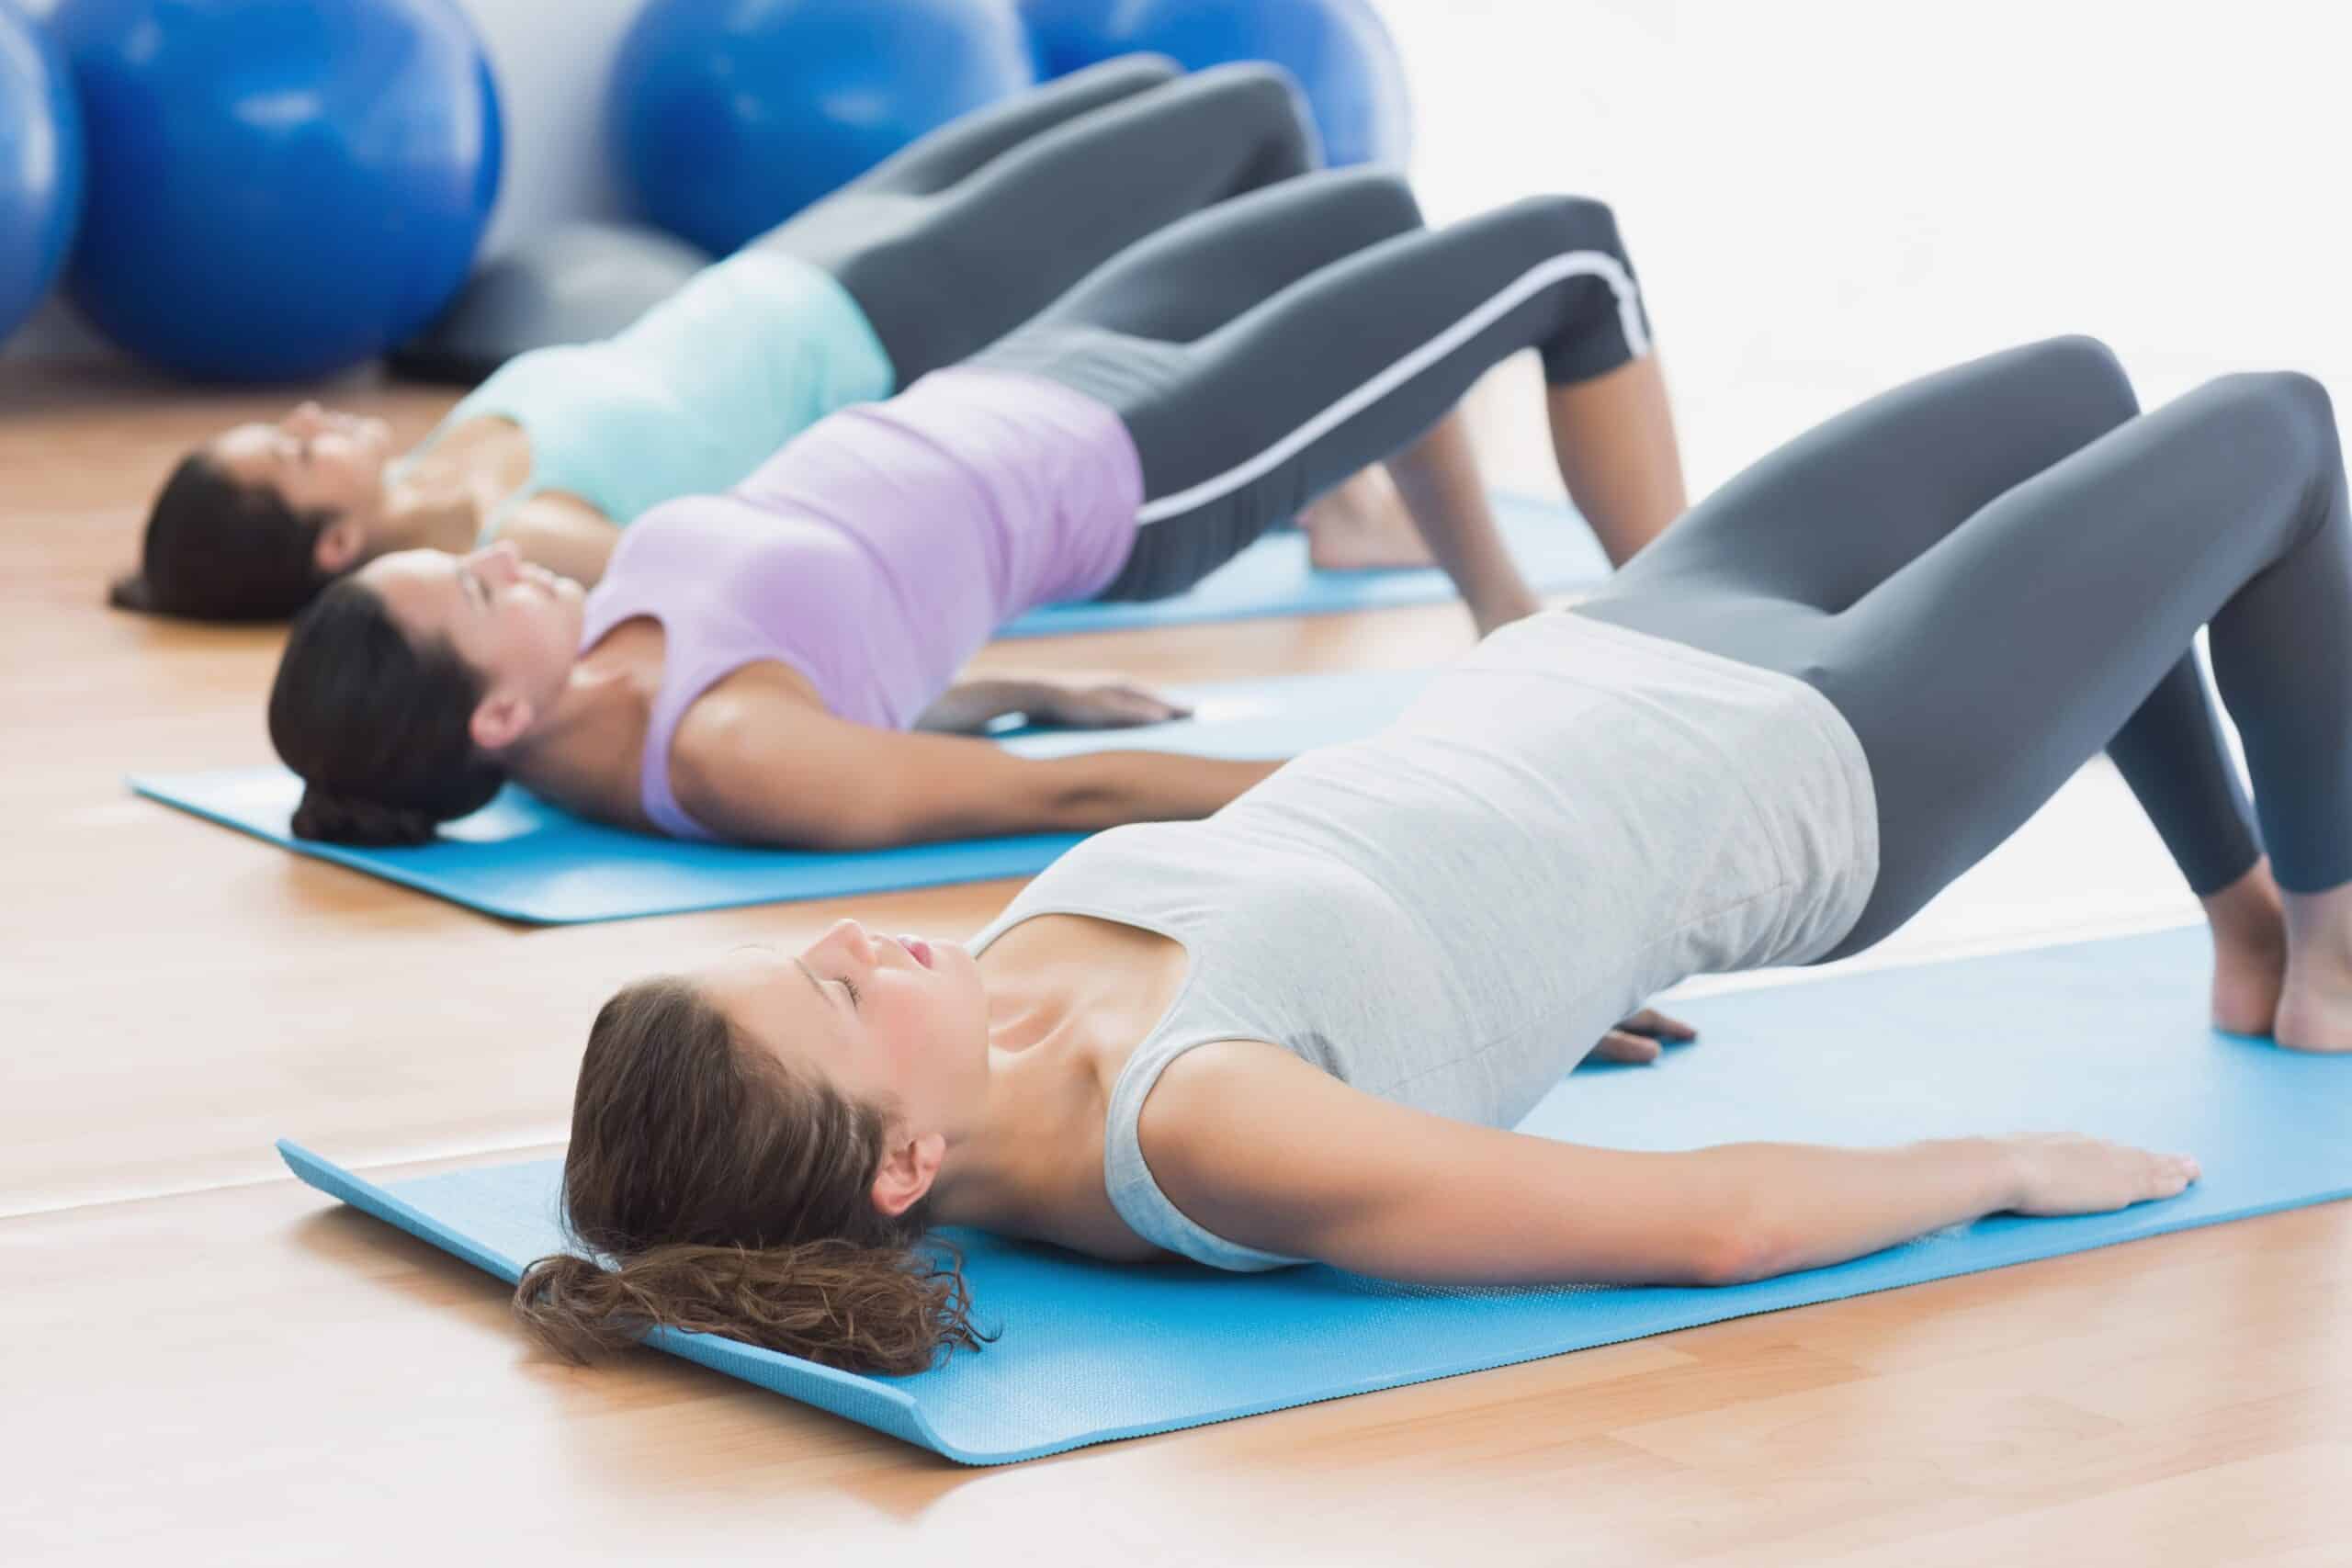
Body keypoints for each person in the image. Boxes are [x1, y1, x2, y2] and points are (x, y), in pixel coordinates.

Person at [514, 335, 2348, 1375]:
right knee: (2273, 432)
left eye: (808, 950)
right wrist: (2001, 1157)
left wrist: (1504, 997)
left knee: (2072, 393)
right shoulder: (1191, 1126)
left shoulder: (985, 1009)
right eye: (833, 992)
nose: (852, 938)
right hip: (1824, 757)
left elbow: (1367, 906)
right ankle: (2329, 950)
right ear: (906, 1163)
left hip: (1627, 632)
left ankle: (2241, 918)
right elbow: (1712, 1224)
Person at [266, 168, 1679, 849]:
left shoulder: (587, 680)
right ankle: (1683, 667)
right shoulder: (734, 752)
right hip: (1141, 468)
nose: (501, 558)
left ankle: (1501, 607)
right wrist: (1434, 812)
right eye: (473, 593)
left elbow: (847, 681)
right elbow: (1080, 800)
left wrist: (1007, 691)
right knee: (1577, 258)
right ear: (492, 719)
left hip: (1020, 381)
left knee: (1367, 207)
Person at [108, 58, 1464, 618]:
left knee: (1145, 83)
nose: (302, 419)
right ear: (336, 546)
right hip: (888, 315)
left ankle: (1348, 481)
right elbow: (724, 590)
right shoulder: (527, 534)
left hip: (794, 257)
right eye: (289, 456)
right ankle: (1346, 499)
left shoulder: (444, 448)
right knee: (1258, 114)